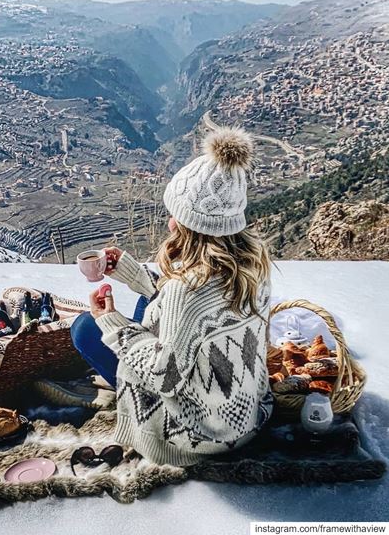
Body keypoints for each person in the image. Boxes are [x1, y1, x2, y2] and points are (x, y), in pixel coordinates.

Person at [71, 117, 273, 466]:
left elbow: (164, 376)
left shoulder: (186, 288)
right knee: (143, 306)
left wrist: (111, 322)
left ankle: (129, 401)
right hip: (249, 415)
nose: (169, 222)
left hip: (201, 435)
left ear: (192, 226)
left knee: (87, 329)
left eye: (175, 215)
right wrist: (132, 273)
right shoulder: (254, 265)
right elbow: (197, 312)